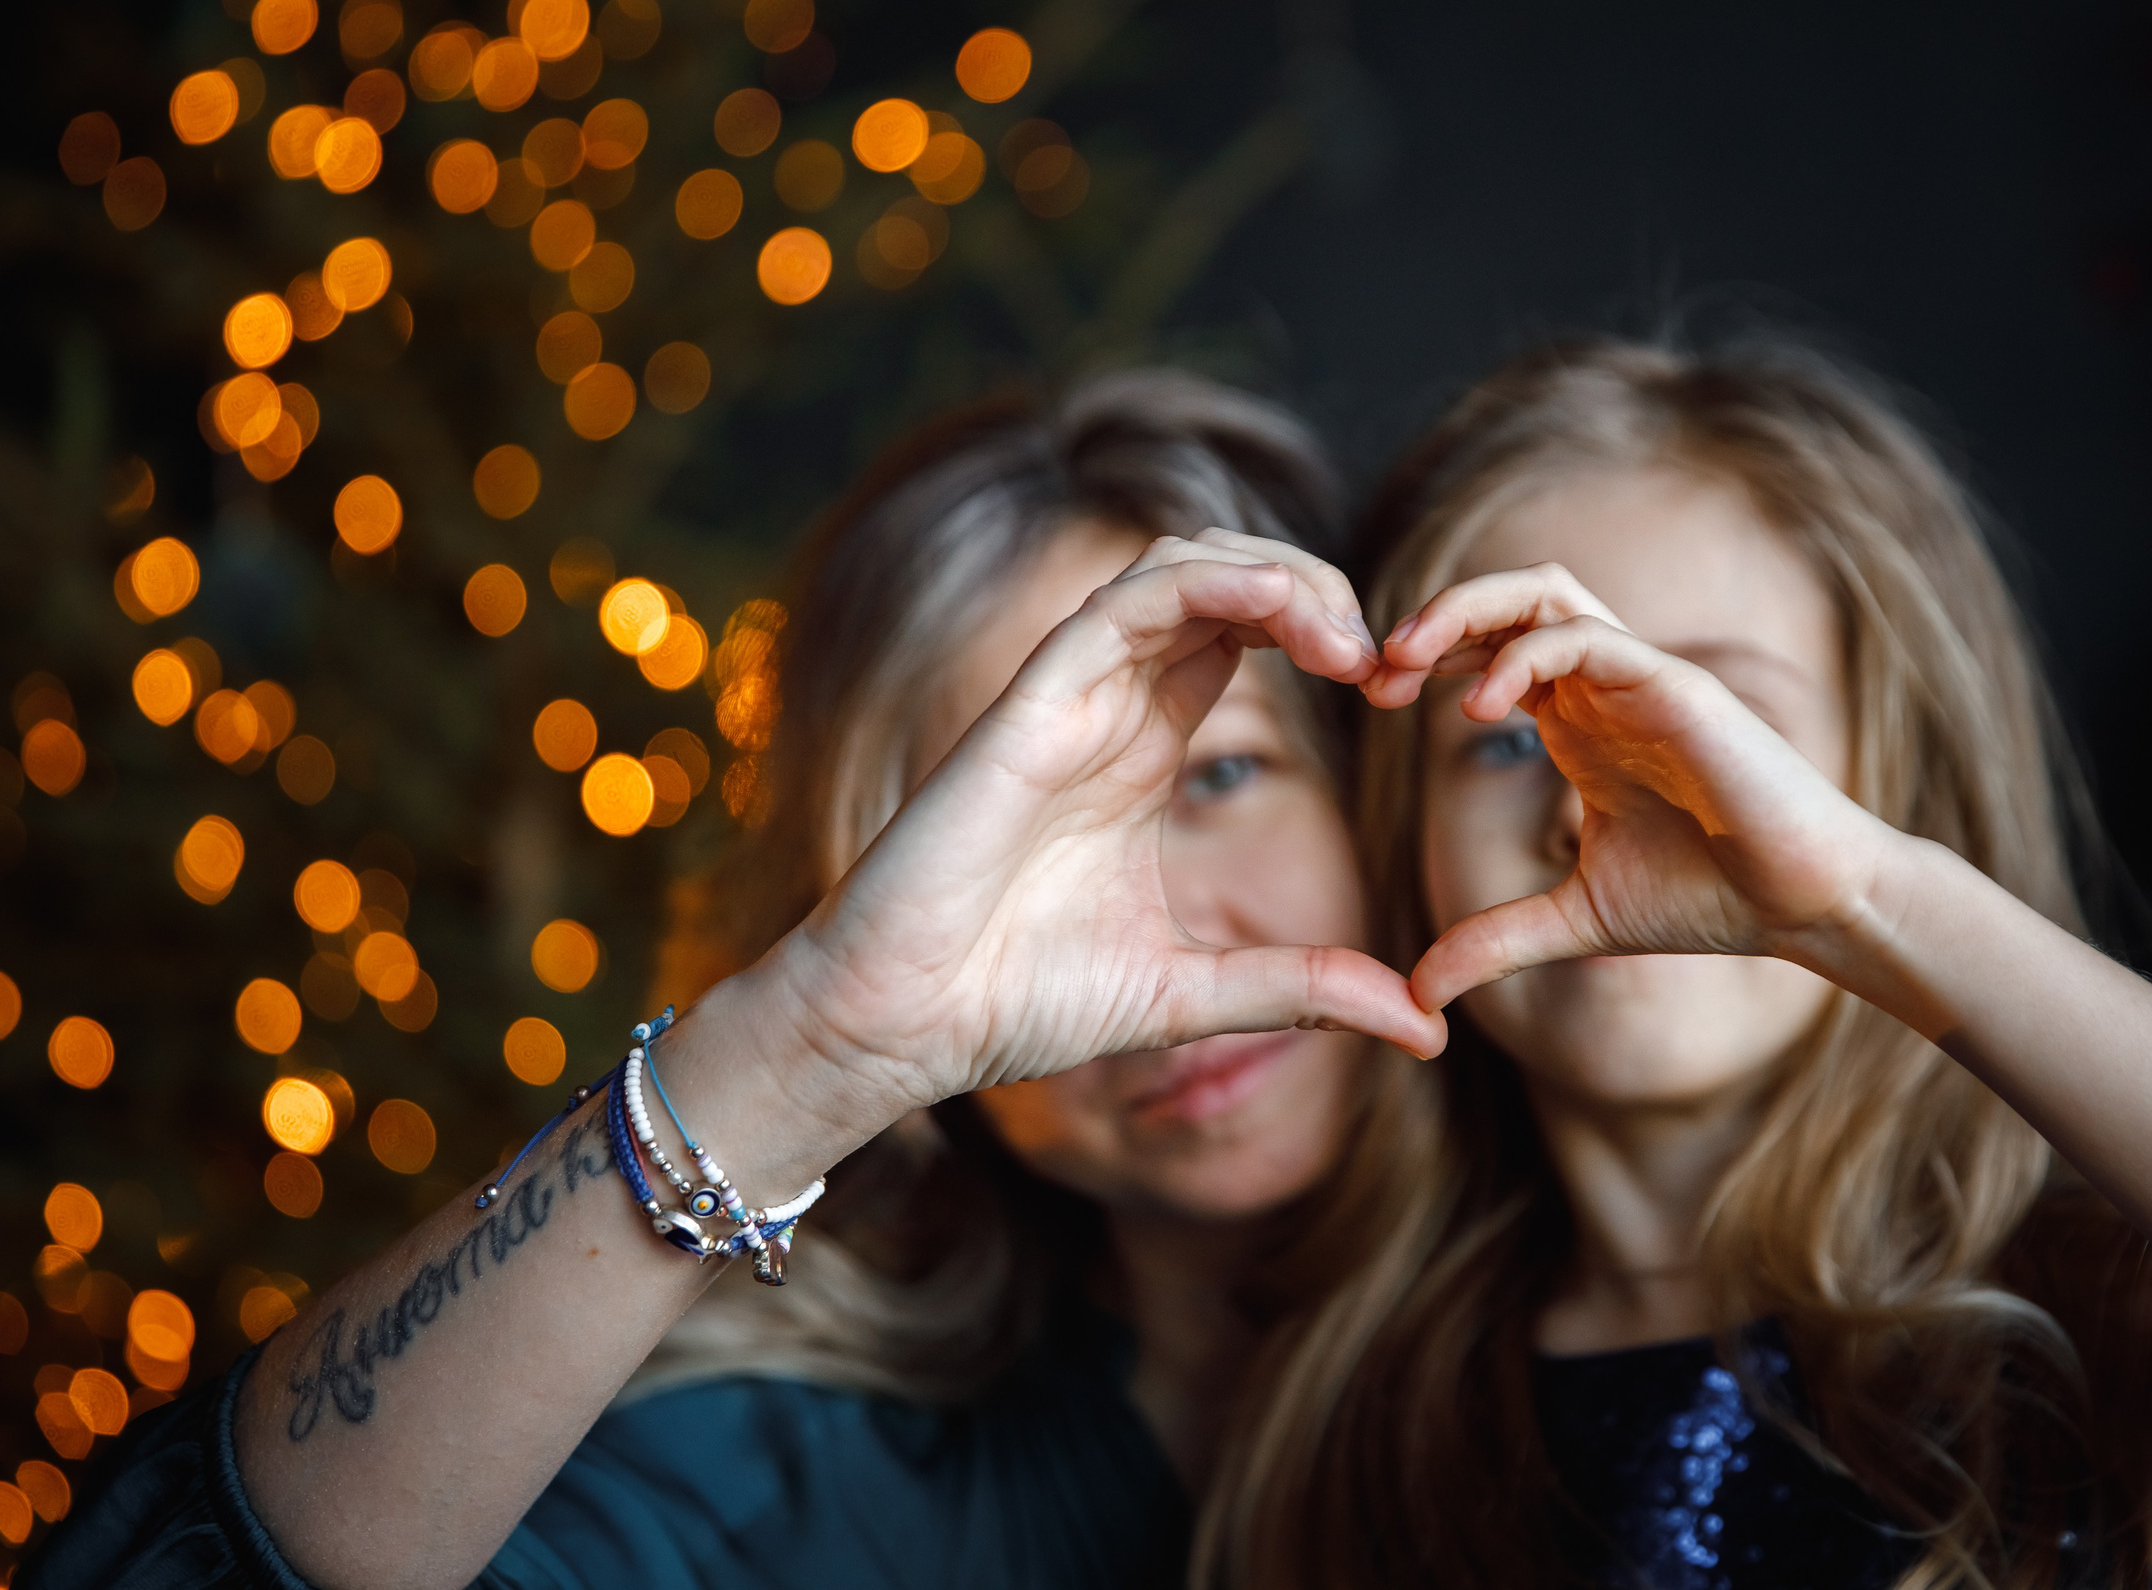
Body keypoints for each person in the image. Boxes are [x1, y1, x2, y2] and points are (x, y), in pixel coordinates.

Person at [29, 373, 1443, 1590]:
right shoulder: (793, 1484)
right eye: (1014, 853)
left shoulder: (1578, 1323)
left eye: (1222, 776)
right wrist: (808, 1052)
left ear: (1370, 775)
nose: (1161, 932)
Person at [1198, 339, 2152, 1589]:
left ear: (1899, 778)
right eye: (1506, 734)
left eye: (1714, 719)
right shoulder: (1345, 1407)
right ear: (1401, 828)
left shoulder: (2098, 1311)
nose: (1599, 809)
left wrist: (1868, 901)